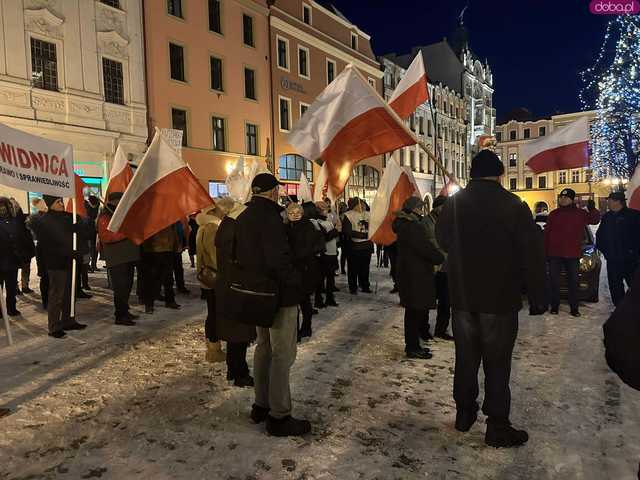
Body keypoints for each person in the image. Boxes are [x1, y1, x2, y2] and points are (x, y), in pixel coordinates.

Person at [436, 150, 546, 448]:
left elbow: (442, 240)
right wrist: (537, 296)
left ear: (472, 174)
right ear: (499, 174)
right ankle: (497, 424)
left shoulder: (454, 204)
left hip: (462, 297)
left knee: (466, 358)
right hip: (499, 299)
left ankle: (464, 412)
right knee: (497, 363)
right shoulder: (513, 205)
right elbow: (531, 253)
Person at [232, 173, 309, 437]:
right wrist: (296, 281)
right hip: (279, 295)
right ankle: (279, 415)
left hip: (256, 293)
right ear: (273, 191)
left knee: (264, 348)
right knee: (282, 353)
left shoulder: (243, 217)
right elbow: (279, 260)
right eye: (278, 189)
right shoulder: (270, 219)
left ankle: (261, 404)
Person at [199, 199, 257, 386]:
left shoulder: (218, 228)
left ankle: (232, 366)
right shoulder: (215, 229)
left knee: (227, 323)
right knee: (233, 327)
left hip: (222, 282)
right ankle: (231, 365)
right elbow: (217, 258)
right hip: (225, 283)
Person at [392, 196, 444, 359]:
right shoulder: (412, 226)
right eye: (420, 207)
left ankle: (413, 345)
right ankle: (413, 347)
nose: (422, 210)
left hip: (411, 272)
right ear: (413, 209)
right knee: (415, 312)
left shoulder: (406, 224)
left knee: (413, 311)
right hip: (416, 274)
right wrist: (439, 257)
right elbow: (424, 247)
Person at [29, 195, 87, 338]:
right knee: (57, 295)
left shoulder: (66, 218)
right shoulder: (45, 221)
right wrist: (68, 253)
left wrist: (78, 225)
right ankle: (54, 327)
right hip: (56, 263)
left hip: (70, 261)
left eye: (61, 201)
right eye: (58, 202)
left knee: (69, 293)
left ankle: (68, 320)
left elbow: (75, 233)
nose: (62, 204)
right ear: (50, 204)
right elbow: (51, 245)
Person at [544, 188, 600, 317]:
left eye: (566, 197)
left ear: (572, 199)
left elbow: (594, 220)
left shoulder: (580, 214)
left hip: (572, 254)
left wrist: (592, 209)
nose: (563, 199)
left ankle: (574, 307)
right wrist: (545, 252)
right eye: (561, 197)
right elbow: (547, 234)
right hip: (555, 254)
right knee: (554, 281)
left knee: (573, 282)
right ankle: (554, 306)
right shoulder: (554, 214)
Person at [97, 192, 140, 326]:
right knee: (120, 289)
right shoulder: (105, 216)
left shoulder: (120, 214)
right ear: (115, 201)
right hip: (117, 258)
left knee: (127, 287)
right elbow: (106, 237)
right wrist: (126, 233)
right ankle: (120, 316)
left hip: (128, 257)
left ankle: (125, 311)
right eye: (121, 200)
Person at [286, 202, 324, 340]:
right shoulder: (286, 227)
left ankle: (306, 327)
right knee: (296, 302)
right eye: (292, 213)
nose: (295, 215)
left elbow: (307, 248)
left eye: (298, 213)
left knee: (304, 300)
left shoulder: (308, 227)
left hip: (305, 269)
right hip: (293, 269)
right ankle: (295, 331)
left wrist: (292, 257)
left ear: (302, 214)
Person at [596, 191, 640, 307]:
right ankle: (619, 310)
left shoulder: (634, 216)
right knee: (615, 288)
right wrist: (607, 252)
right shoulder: (607, 217)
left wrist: (634, 252)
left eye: (609, 200)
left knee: (635, 287)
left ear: (617, 202)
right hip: (613, 260)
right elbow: (600, 237)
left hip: (631, 261)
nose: (608, 203)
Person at [422, 195, 453, 341]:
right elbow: (426, 244)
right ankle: (423, 330)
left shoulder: (450, 222)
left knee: (446, 302)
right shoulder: (426, 222)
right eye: (444, 207)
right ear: (437, 207)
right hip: (431, 268)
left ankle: (441, 329)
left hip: (446, 268)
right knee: (428, 301)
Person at [0, 197, 30, 316]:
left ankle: (11, 308)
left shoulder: (15, 221)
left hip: (12, 260)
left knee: (11, 287)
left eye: (4, 206)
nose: (2, 209)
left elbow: (20, 238)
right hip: (2, 259)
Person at [142, 224, 181, 314]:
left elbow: (173, 231)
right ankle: (149, 304)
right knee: (152, 279)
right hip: (153, 251)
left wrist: (176, 245)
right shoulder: (150, 218)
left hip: (167, 249)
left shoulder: (168, 217)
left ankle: (170, 300)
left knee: (168, 278)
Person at [313, 200, 340, 308]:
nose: (326, 210)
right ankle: (318, 300)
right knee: (321, 278)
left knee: (331, 277)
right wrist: (336, 231)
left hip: (332, 252)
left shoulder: (328, 220)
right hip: (324, 254)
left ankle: (330, 298)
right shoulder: (316, 222)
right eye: (324, 209)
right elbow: (325, 237)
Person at [343, 197, 373, 295]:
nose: (363, 206)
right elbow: (348, 231)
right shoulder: (348, 215)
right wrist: (364, 235)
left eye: (364, 203)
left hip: (366, 246)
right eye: (361, 204)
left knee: (365, 268)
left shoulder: (369, 214)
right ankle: (353, 287)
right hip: (354, 247)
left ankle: (365, 285)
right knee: (353, 269)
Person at [9, 198, 36, 296]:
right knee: (22, 267)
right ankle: (23, 286)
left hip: (19, 247)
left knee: (20, 268)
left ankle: (20, 287)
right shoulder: (21, 217)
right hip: (21, 247)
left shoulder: (12, 218)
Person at [85, 195, 100, 272]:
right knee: (90, 249)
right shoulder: (87, 205)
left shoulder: (87, 205)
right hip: (89, 230)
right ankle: (91, 265)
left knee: (92, 249)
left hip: (93, 230)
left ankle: (92, 265)